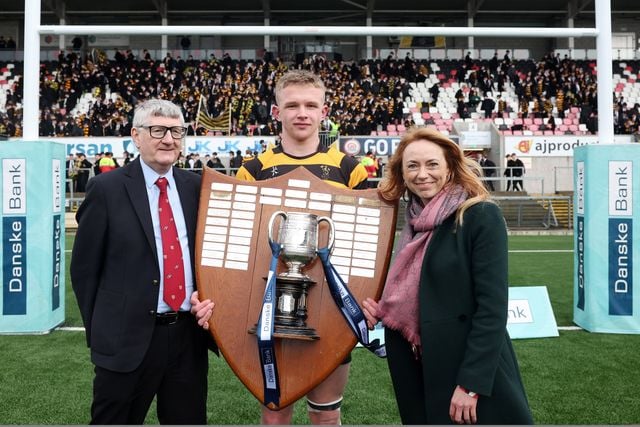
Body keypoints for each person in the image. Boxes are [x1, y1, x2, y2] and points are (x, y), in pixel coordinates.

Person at [190, 69, 368, 425]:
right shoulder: (252, 170)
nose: (302, 112)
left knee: (327, 413)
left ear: (324, 111)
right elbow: (241, 244)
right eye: (292, 105)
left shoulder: (351, 169)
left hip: (330, 307)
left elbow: (363, 242)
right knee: (274, 411)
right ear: (276, 113)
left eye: (310, 105)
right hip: (268, 304)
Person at [361, 127, 533, 425]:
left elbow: (492, 309)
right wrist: (379, 306)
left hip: (466, 368)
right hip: (415, 364)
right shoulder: (412, 221)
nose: (422, 174)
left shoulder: (479, 215)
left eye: (432, 164)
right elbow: (413, 292)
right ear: (401, 174)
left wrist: (471, 383)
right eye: (412, 166)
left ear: (450, 167)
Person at [70, 99, 215, 424]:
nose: (168, 139)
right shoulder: (105, 189)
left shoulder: (197, 187)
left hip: (187, 340)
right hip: (125, 340)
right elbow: (83, 271)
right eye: (158, 130)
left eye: (176, 131)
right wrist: (103, 332)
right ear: (136, 135)